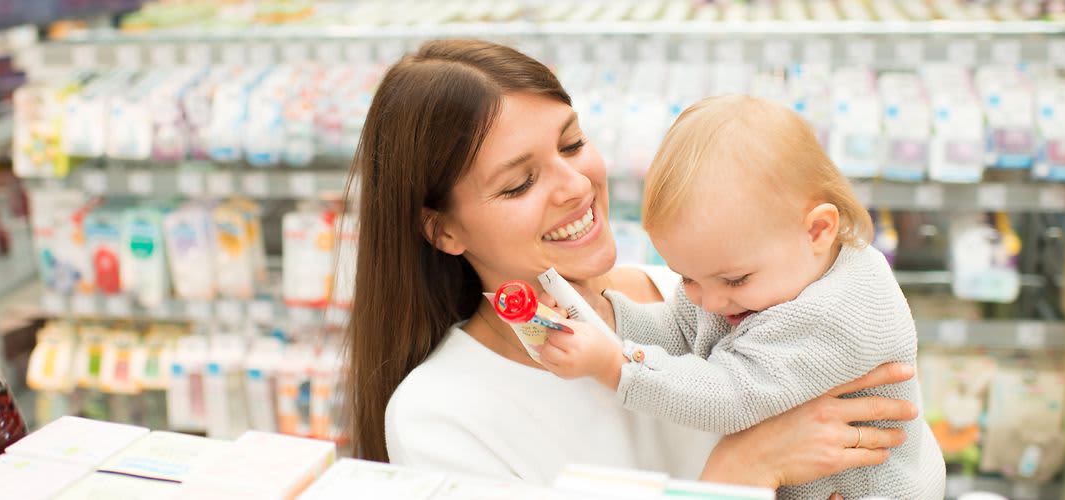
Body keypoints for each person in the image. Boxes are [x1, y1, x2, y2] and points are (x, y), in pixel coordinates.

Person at [343, 39, 919, 494]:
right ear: (442, 229)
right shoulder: (440, 416)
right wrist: (741, 471)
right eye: (519, 183)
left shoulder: (701, 294)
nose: (576, 186)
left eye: (572, 144)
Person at [536, 95, 945, 499]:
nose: (710, 302)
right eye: (687, 279)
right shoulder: (758, 276)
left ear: (818, 230)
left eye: (735, 281)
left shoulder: (834, 313)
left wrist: (615, 365)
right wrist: (605, 314)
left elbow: (729, 396)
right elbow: (683, 331)